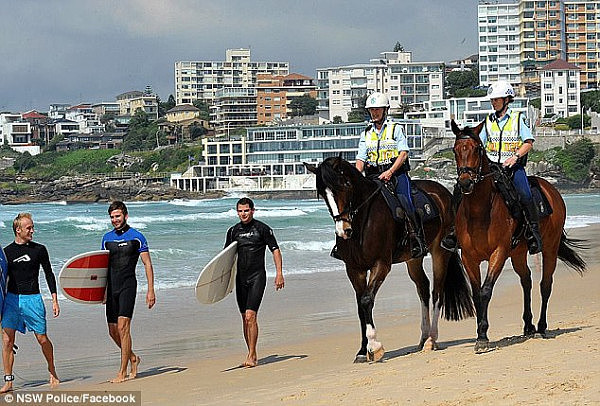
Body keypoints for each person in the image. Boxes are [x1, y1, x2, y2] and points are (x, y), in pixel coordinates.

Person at [355, 91, 427, 258]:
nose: (374, 113)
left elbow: (403, 154)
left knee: (405, 200)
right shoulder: (366, 133)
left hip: (396, 174)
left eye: (377, 109)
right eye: (372, 110)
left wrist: (390, 171)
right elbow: (360, 159)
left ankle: (418, 239)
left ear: (385, 110)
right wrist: (356, 177)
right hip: (373, 175)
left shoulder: (395, 129)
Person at [481, 80, 542, 254]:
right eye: (492, 100)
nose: (493, 102)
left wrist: (515, 157)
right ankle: (455, 231)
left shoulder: (517, 118)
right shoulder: (488, 121)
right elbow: (481, 143)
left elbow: (528, 143)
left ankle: (533, 234)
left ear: (507, 99)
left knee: (525, 194)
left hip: (512, 167)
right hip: (493, 167)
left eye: (497, 99)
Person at [1, 213, 60, 393]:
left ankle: (52, 369)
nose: (32, 230)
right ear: (18, 230)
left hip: (33, 299)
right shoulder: (6, 253)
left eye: (32, 227)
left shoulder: (39, 250)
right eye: (29, 228)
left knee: (42, 338)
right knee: (7, 340)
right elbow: (2, 280)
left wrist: (55, 299)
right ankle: (9, 381)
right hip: (12, 299)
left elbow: (49, 273)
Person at [224, 197, 284, 367]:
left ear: (252, 210)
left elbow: (275, 250)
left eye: (246, 210)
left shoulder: (262, 229)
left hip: (257, 276)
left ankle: (252, 354)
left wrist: (279, 273)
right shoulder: (233, 231)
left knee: (251, 316)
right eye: (240, 211)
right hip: (240, 278)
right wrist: (224, 283)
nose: (243, 214)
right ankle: (251, 350)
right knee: (244, 318)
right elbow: (226, 257)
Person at [102, 201, 156, 383]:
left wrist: (151, 290)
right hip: (111, 289)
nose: (115, 220)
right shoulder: (106, 238)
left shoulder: (137, 237)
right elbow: (101, 267)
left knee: (124, 328)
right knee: (112, 331)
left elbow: (147, 264)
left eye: (117, 216)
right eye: (112, 217)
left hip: (127, 285)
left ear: (126, 216)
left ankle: (122, 372)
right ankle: (133, 357)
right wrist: (100, 292)